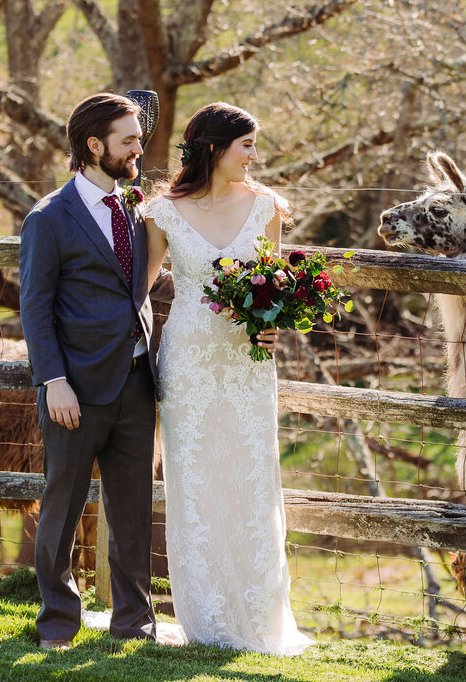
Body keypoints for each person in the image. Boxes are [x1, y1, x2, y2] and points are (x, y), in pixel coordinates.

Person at [141, 101, 313, 655]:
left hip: (245, 365)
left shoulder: (265, 206)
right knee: (194, 484)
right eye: (247, 145)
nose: (254, 156)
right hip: (188, 364)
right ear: (215, 148)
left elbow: (273, 285)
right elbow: (138, 292)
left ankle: (259, 616)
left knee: (251, 479)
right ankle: (207, 617)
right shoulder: (161, 214)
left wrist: (272, 326)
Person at [19, 92, 180, 650]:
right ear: (95, 146)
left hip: (137, 383)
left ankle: (133, 624)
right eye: (129, 140)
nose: (140, 148)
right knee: (61, 507)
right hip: (75, 389)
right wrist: (53, 380)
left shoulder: (136, 209)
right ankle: (58, 622)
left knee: (133, 509)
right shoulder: (48, 219)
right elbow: (36, 309)